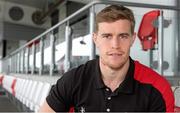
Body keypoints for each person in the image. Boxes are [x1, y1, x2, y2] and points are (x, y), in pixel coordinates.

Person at [39, 5, 174, 112]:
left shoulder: (158, 88)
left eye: (123, 36)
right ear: (95, 39)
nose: (115, 45)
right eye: (107, 36)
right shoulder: (74, 80)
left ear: (133, 39)